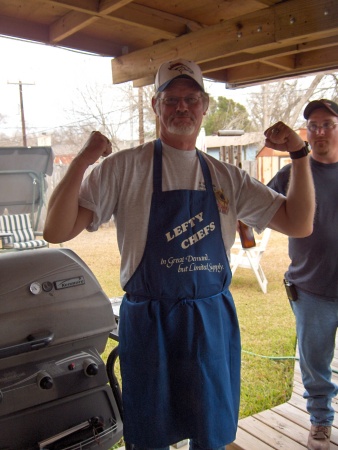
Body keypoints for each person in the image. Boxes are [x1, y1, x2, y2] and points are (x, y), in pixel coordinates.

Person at [43, 58, 315, 450]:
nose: (181, 108)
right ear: (156, 106)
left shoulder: (227, 177)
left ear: (204, 105)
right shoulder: (123, 169)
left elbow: (299, 222)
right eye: (171, 99)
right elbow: (56, 229)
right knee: (150, 434)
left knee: (210, 432)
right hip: (149, 322)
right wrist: (84, 159)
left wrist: (300, 154)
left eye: (191, 99)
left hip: (210, 320)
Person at [268, 99, 338, 450]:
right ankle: (321, 421)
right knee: (315, 362)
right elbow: (257, 205)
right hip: (311, 287)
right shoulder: (293, 171)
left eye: (327, 123)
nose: (320, 131)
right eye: (313, 125)